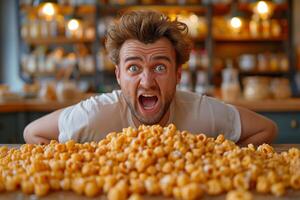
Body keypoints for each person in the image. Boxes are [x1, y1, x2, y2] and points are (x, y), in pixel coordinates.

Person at [24, 10, 277, 146]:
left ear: (178, 74)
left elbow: (267, 128)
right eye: (133, 68)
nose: (147, 82)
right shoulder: (94, 115)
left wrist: (224, 158)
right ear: (119, 75)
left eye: (159, 68)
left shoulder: (203, 112)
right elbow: (32, 133)